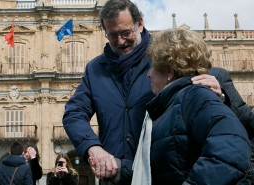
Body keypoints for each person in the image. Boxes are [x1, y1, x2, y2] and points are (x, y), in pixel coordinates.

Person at [63, 0, 227, 184]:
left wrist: (219, 92)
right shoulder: (95, 69)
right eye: (112, 35)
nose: (120, 41)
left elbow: (199, 99)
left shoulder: (164, 56)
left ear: (140, 24)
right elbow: (74, 113)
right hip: (114, 176)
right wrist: (92, 147)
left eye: (126, 33)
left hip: (160, 175)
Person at [131, 28, 251, 185]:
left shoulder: (195, 97)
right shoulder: (172, 104)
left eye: (153, 66)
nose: (149, 74)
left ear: (169, 71)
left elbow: (232, 150)